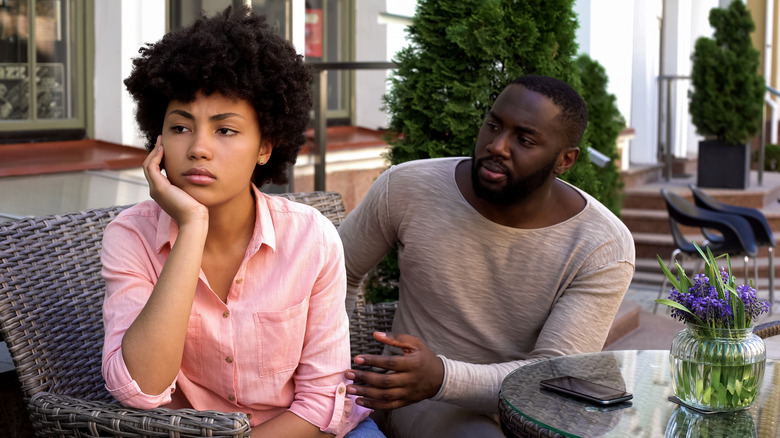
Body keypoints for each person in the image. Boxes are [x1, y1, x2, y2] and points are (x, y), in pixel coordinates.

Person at [100, 6, 382, 437]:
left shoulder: (311, 238)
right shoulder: (131, 237)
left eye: (225, 130)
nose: (198, 149)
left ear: (265, 145)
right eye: (180, 127)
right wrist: (192, 227)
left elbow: (323, 399)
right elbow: (141, 389)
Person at [338, 75, 636, 437]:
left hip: (533, 410)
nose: (498, 146)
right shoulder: (407, 187)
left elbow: (552, 375)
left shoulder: (601, 245)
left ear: (565, 160)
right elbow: (335, 275)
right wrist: (326, 370)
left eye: (524, 140)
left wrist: (444, 377)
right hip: (419, 401)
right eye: (493, 126)